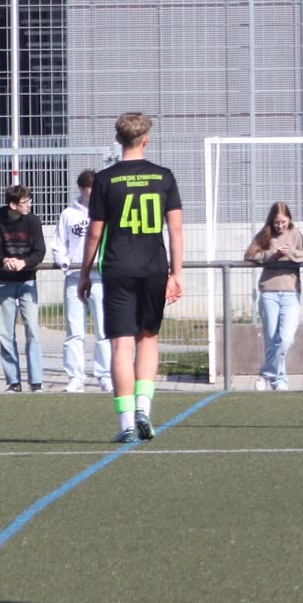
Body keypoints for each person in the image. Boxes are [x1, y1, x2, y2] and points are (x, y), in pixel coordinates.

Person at [79, 112, 185, 443]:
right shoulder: (163, 176)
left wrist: (85, 273)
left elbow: (95, 234)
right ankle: (144, 409)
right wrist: (177, 273)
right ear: (146, 139)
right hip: (154, 268)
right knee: (148, 340)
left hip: (118, 269)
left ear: (118, 139)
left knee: (121, 345)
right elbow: (176, 228)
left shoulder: (106, 180)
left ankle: (126, 423)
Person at [0, 183, 47, 393]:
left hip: (27, 280)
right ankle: (13, 381)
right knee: (5, 333)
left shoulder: (33, 221)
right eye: (24, 202)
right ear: (13, 205)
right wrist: (4, 260)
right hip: (4, 281)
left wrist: (24, 263)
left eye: (29, 201)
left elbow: (40, 251)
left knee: (33, 330)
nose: (28, 205)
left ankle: (36, 381)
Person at [56, 170, 112, 394]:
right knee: (74, 331)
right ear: (81, 189)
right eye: (91, 188)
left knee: (103, 330)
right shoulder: (69, 214)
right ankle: (75, 377)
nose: (95, 193)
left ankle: (105, 375)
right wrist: (64, 262)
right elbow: (60, 244)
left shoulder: (108, 212)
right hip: (74, 278)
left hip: (100, 278)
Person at [245, 201, 303, 391]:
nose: (280, 226)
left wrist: (291, 254)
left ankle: (266, 373)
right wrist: (272, 254)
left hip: (290, 293)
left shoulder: (295, 234)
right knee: (271, 338)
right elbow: (250, 255)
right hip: (269, 293)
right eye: (276, 223)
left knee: (286, 338)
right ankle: (280, 380)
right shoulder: (266, 235)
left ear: (289, 220)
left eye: (283, 222)